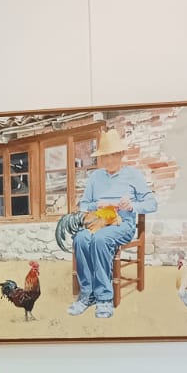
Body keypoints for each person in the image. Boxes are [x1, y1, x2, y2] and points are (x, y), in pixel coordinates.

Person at [68, 128, 157, 319]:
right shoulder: (95, 177)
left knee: (100, 239)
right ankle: (87, 293)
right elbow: (84, 205)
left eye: (113, 155)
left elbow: (152, 203)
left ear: (121, 154)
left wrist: (132, 206)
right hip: (98, 220)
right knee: (81, 238)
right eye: (105, 156)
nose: (109, 161)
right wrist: (96, 204)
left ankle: (104, 298)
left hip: (122, 224)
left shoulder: (133, 175)